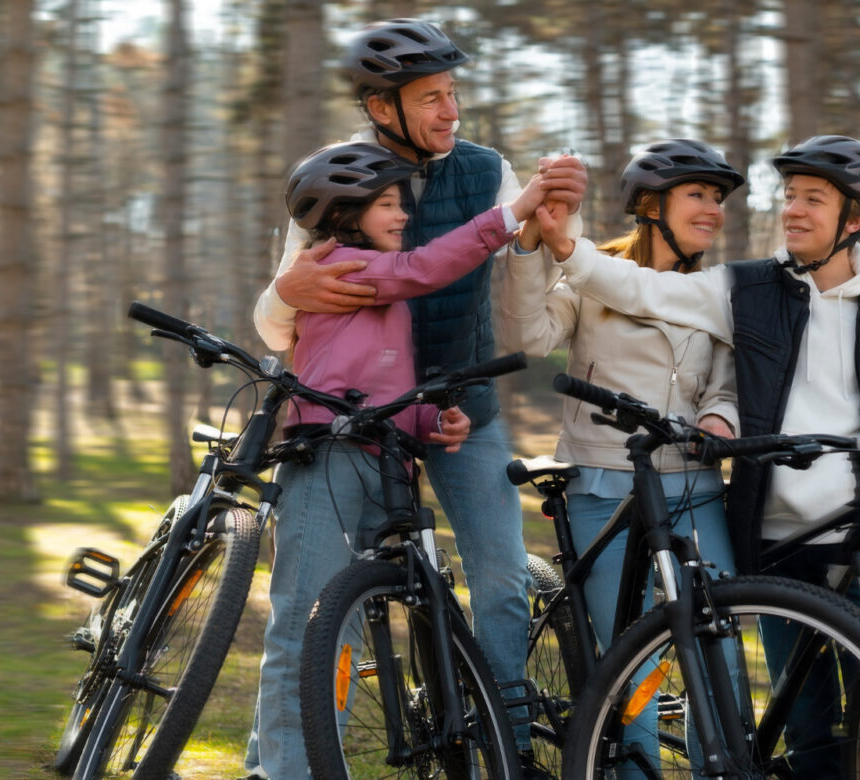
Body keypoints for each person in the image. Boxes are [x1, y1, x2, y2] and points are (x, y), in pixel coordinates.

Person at [533, 135, 860, 774]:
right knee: (807, 724)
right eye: (790, 197)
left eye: (813, 200)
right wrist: (566, 247)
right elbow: (642, 290)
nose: (792, 211)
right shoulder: (747, 289)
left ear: (855, 218)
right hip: (778, 540)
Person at [249, 19, 586, 777]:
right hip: (359, 426)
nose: (449, 111)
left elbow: (520, 299)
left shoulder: (487, 169)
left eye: (452, 94)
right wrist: (286, 290)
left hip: (459, 414)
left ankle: (505, 744)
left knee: (501, 580)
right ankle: (286, 761)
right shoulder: (337, 181)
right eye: (430, 97)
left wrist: (537, 235)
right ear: (380, 107)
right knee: (327, 607)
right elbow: (275, 327)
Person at [502, 139, 744, 776]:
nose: (713, 210)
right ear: (649, 204)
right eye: (699, 194)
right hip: (603, 483)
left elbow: (725, 383)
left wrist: (721, 416)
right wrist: (530, 248)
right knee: (629, 650)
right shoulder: (590, 273)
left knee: (719, 643)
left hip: (694, 485)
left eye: (717, 199)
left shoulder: (715, 293)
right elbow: (529, 335)